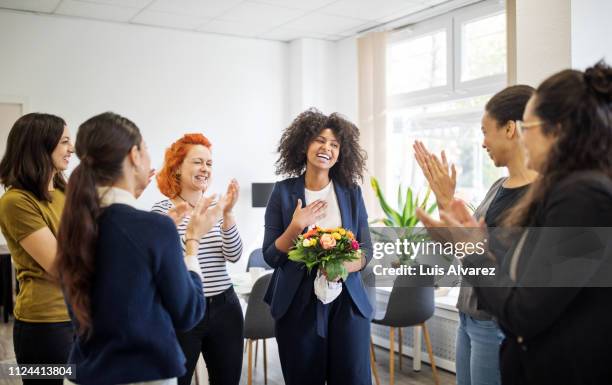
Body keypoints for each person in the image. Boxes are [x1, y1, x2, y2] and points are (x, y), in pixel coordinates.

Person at [417, 61, 612, 384]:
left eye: (528, 128)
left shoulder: (582, 198)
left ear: (557, 130)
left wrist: (470, 248)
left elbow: (525, 310)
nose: (523, 139)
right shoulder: (571, 190)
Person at [56, 112, 222, 385]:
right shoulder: (153, 228)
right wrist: (192, 242)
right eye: (146, 150)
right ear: (134, 155)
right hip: (144, 375)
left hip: (83, 373)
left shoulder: (75, 225)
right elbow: (188, 313)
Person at [413, 85, 537, 385]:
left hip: (495, 323)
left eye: (485, 131)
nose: (482, 143)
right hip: (468, 314)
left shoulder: (541, 194)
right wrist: (445, 202)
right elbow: (467, 249)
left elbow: (515, 266)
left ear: (510, 128)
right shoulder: (498, 186)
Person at [263, 108, 373, 385]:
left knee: (352, 378)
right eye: (319, 140)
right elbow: (270, 256)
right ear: (304, 145)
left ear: (341, 153)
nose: (327, 148)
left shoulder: (351, 192)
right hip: (297, 304)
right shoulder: (283, 192)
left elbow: (366, 250)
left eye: (334, 144)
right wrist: (296, 226)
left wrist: (340, 266)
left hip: (347, 301)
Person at [152, 133, 243, 385]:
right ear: (177, 168)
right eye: (197, 162)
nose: (205, 168)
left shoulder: (216, 207)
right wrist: (193, 234)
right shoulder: (163, 211)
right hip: (184, 311)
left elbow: (234, 255)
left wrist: (227, 214)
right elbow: (163, 265)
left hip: (226, 308)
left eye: (209, 163)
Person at [0, 113, 74, 385]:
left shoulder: (65, 193)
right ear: (40, 144)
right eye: (65, 141)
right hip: (45, 326)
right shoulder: (15, 201)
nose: (72, 148)